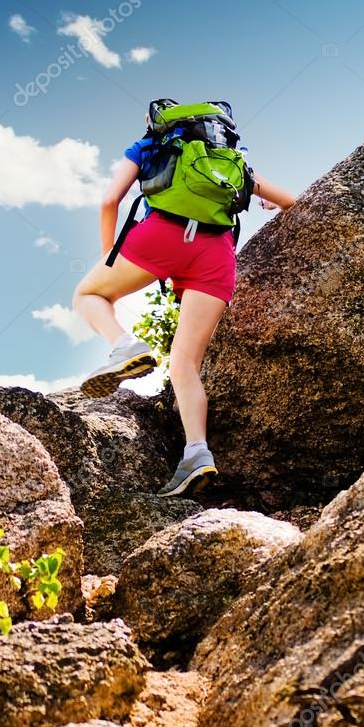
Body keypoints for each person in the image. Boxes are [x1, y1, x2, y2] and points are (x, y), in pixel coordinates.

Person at [72, 111, 297, 497]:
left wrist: (112, 253)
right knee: (184, 363)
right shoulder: (230, 157)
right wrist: (270, 205)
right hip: (216, 255)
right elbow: (291, 201)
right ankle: (197, 452)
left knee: (89, 294)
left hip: (160, 236)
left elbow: (110, 200)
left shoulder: (151, 145)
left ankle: (125, 346)